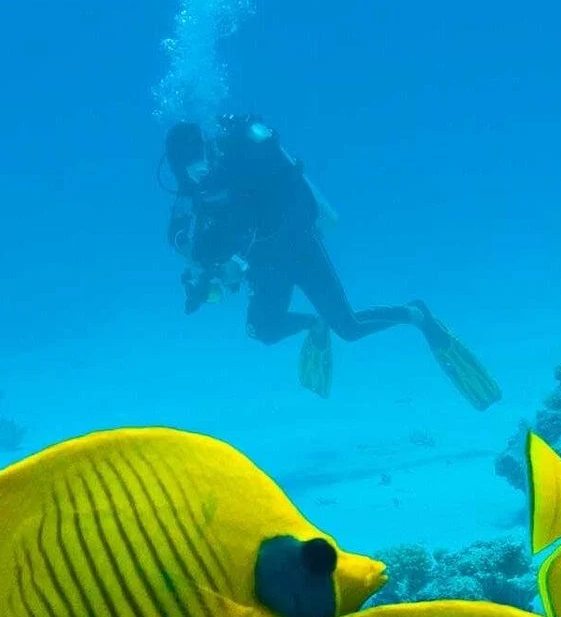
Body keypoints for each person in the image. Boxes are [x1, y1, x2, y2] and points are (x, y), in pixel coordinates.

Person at [159, 115, 500, 408]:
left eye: (198, 166)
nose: (197, 176)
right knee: (261, 329)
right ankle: (314, 324)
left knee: (349, 328)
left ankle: (417, 315)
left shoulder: (245, 161)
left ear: (208, 151)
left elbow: (297, 208)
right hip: (263, 265)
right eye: (187, 172)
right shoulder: (194, 190)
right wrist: (208, 275)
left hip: (300, 249)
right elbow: (198, 244)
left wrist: (237, 256)